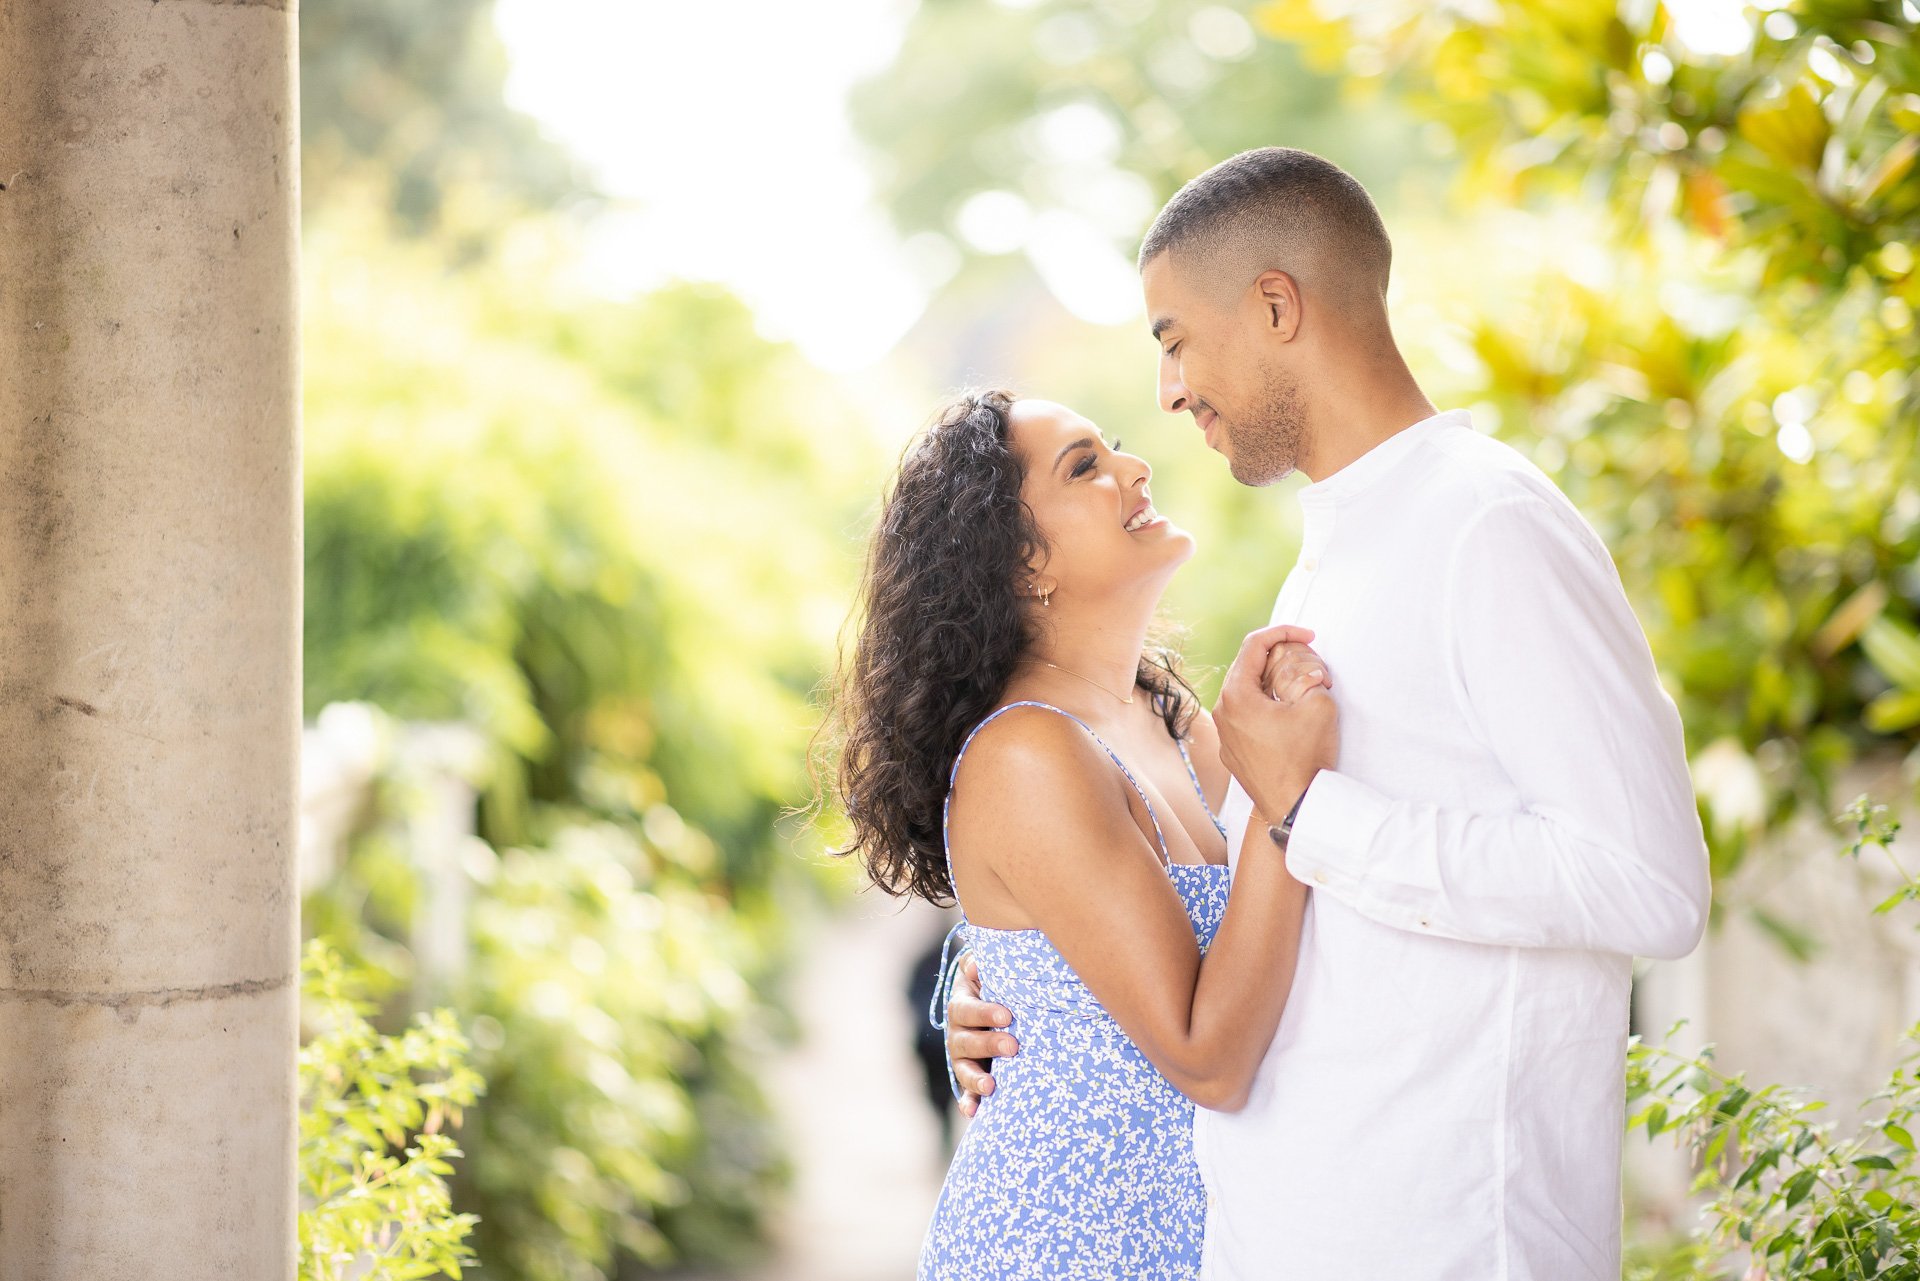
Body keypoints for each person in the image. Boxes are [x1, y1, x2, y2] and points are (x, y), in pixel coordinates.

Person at [942, 147, 1712, 1280]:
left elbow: (1649, 886)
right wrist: (997, 988)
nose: (1164, 394)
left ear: (1273, 305)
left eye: (1172, 337)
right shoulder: (1332, 560)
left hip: (1449, 1244)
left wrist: (1314, 813)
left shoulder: (1486, 525)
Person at [824, 389, 1331, 1278]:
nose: (1135, 469)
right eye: (1085, 467)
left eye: (1115, 449)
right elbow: (1208, 1058)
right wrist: (1290, 807)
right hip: (1066, 1242)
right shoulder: (1027, 753)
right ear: (1020, 564)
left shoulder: (1172, 720)